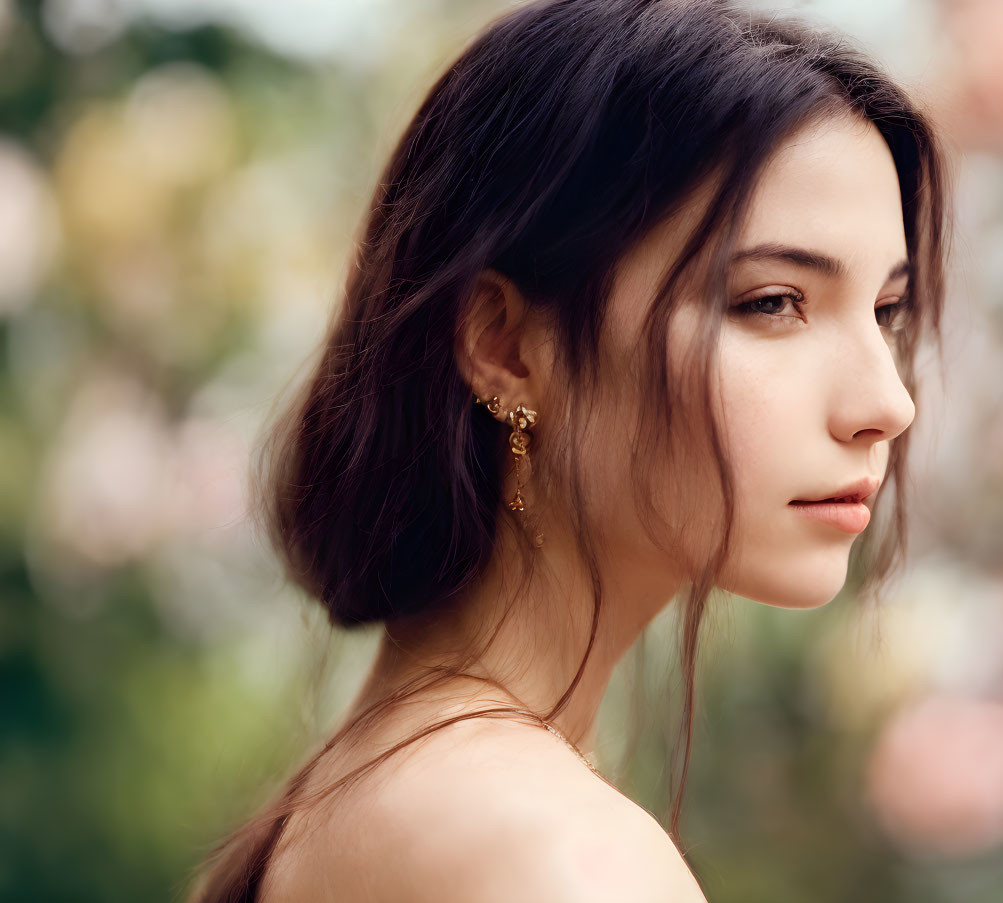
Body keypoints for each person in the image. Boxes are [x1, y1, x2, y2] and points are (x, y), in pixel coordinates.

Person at [184, 0, 952, 899]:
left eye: (885, 312)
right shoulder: (554, 853)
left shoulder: (379, 790)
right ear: (505, 346)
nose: (886, 405)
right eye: (771, 301)